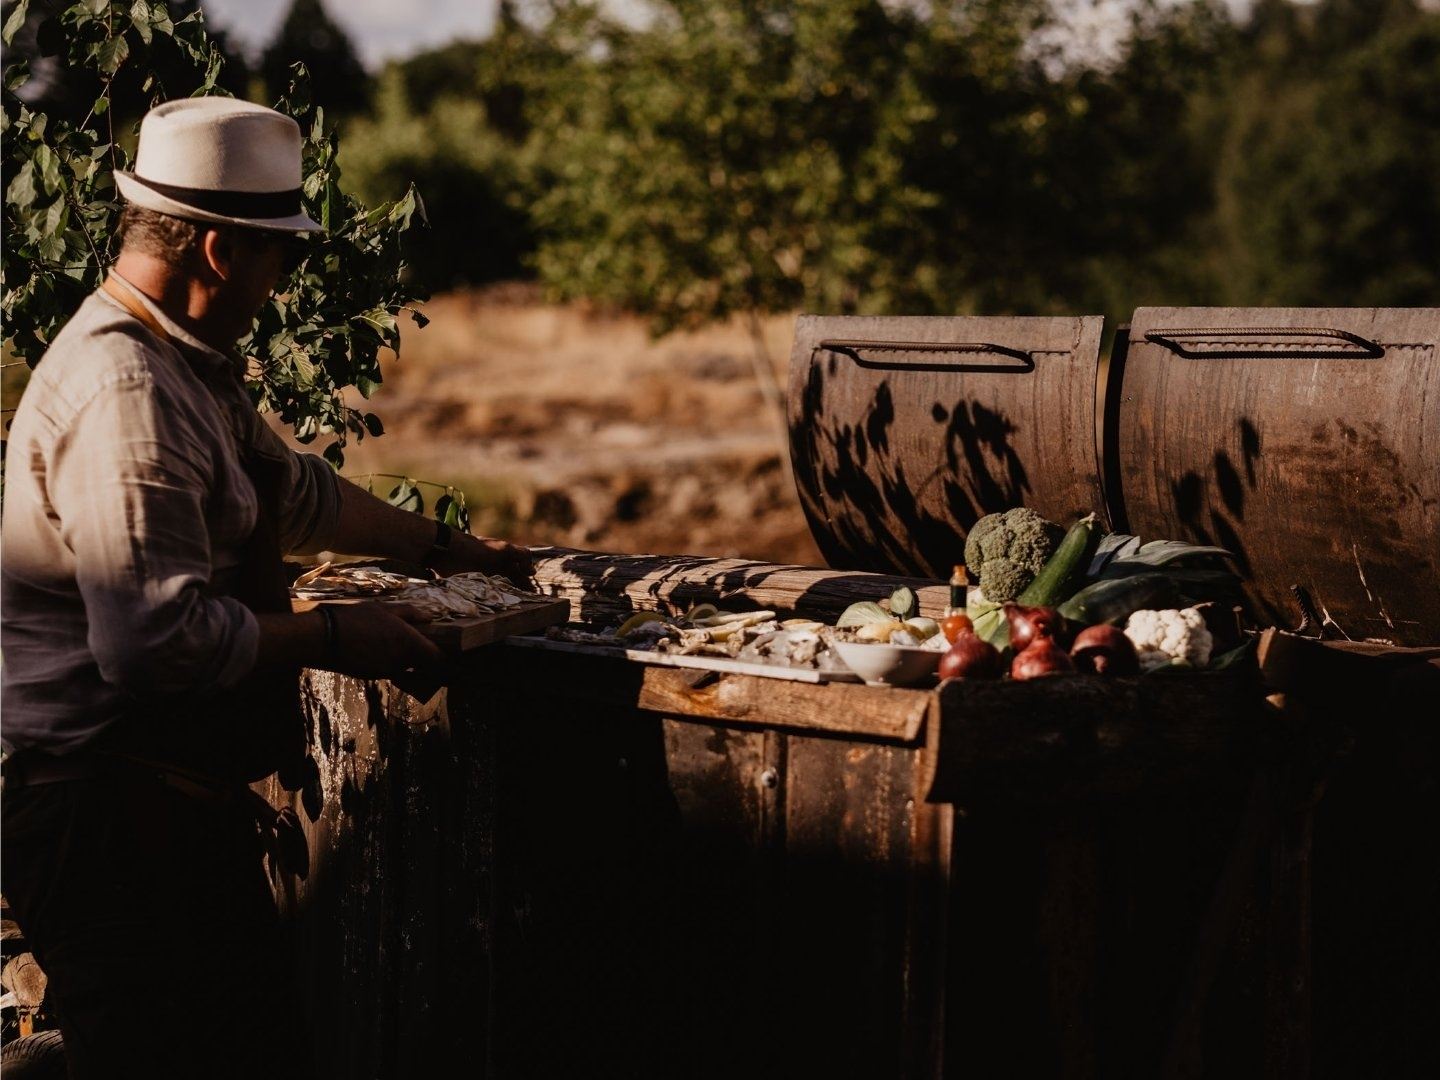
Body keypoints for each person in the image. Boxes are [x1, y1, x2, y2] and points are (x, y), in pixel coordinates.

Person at [0, 98, 530, 1078]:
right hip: (107, 823)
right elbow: (153, 643)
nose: (280, 281)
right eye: (274, 255)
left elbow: (293, 494)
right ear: (214, 250)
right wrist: (333, 636)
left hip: (157, 808)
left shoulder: (183, 365)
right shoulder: (131, 394)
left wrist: (453, 551)